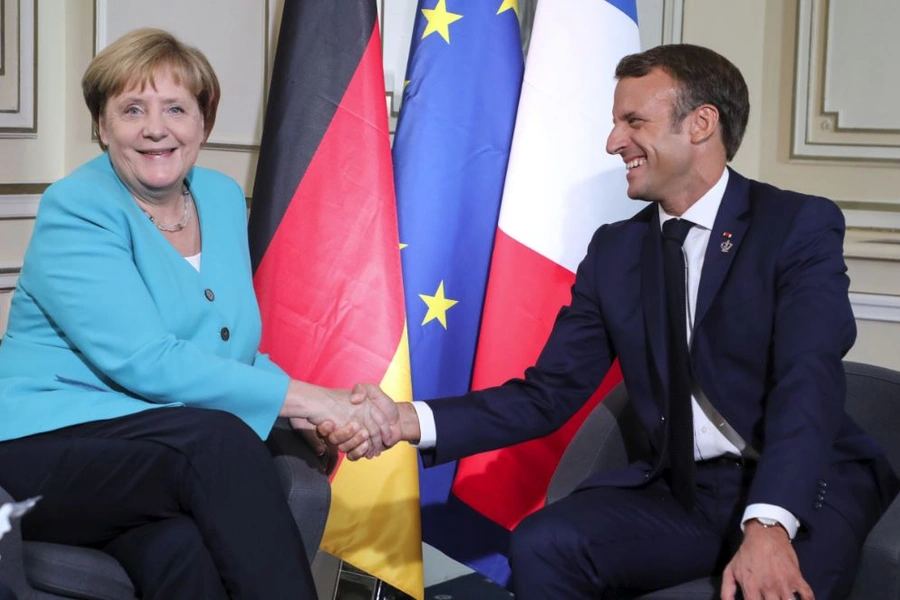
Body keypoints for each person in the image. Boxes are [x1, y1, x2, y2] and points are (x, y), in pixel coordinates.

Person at [325, 44, 900, 599]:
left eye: (633, 122)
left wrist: (771, 523)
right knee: (545, 544)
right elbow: (546, 395)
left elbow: (809, 378)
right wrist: (405, 420)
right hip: (685, 494)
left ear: (700, 124)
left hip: (805, 485)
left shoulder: (796, 225)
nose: (612, 142)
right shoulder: (615, 252)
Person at [0, 28, 387, 599]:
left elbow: (229, 348)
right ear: (102, 127)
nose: (156, 128)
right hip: (43, 451)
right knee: (219, 444)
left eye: (176, 109)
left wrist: (313, 413)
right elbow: (146, 360)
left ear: (203, 124)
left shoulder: (221, 197)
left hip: (150, 459)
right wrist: (307, 398)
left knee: (180, 551)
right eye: (132, 109)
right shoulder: (77, 207)